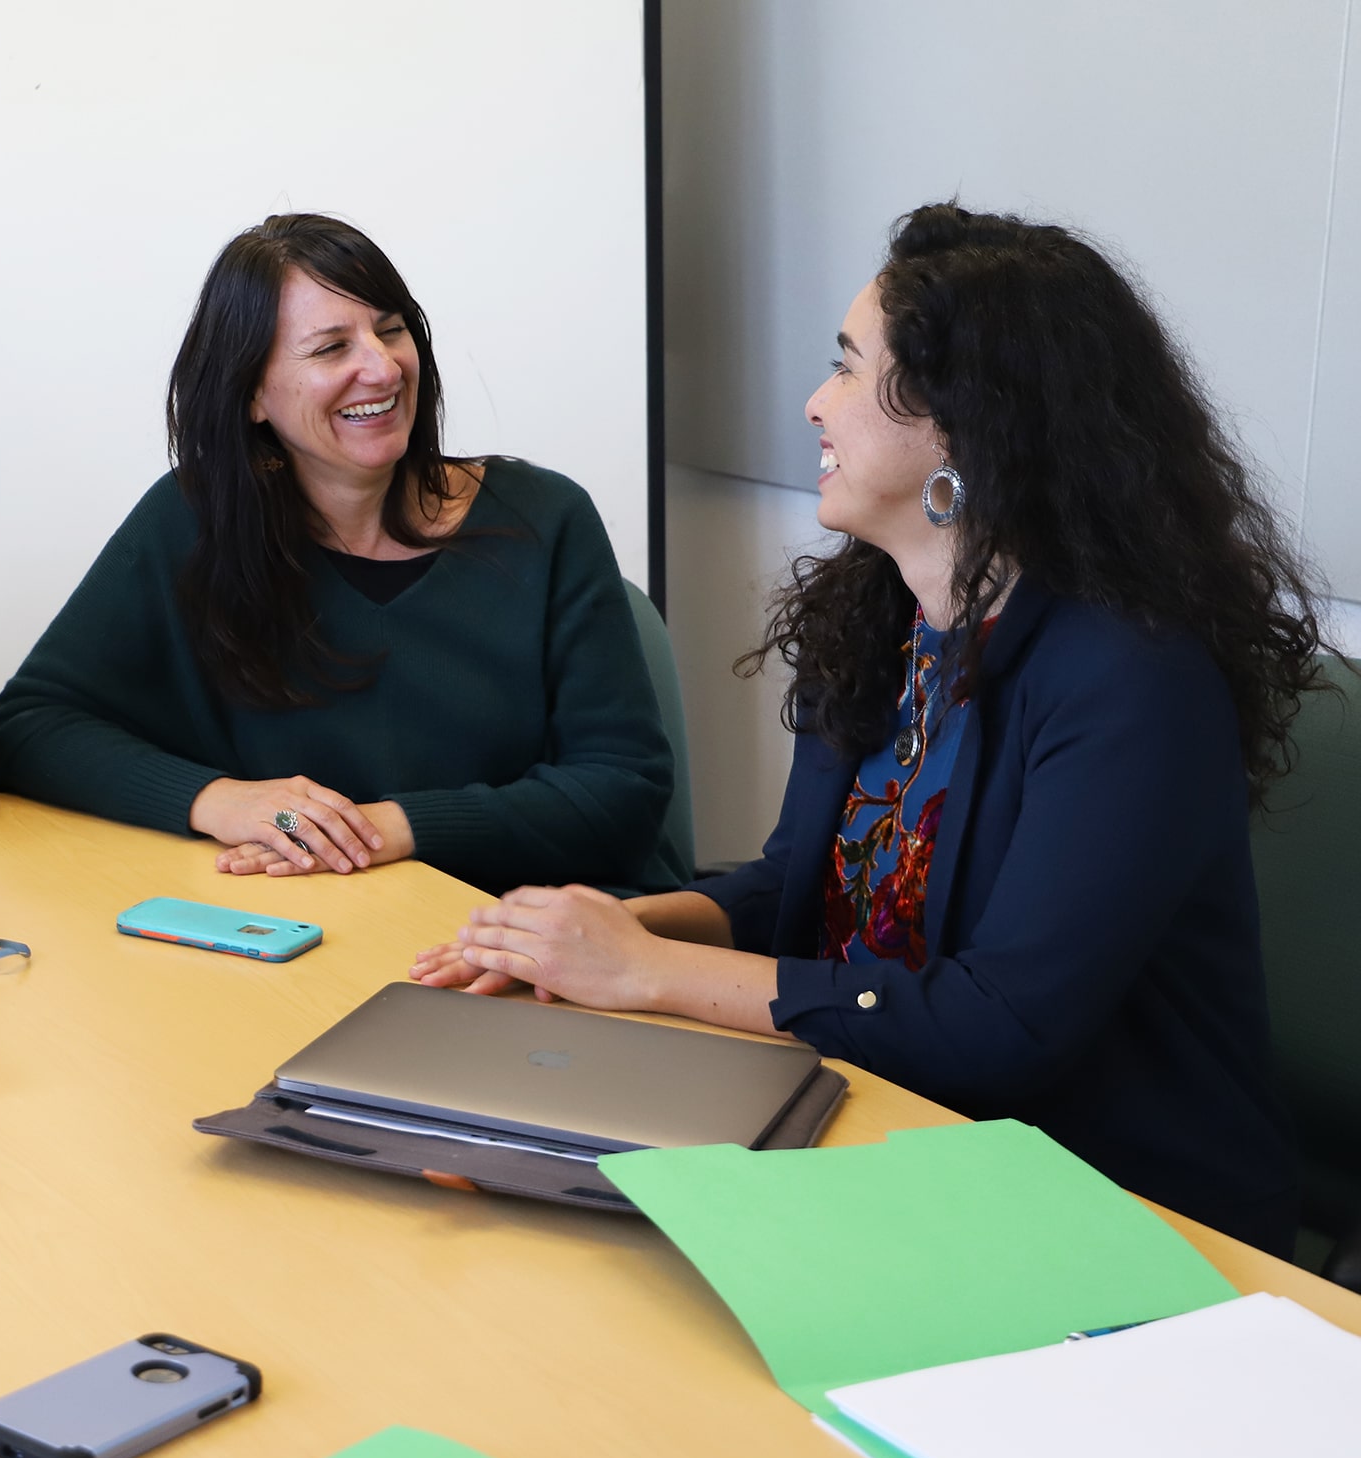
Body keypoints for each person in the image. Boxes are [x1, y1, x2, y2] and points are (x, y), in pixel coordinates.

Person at [416, 204, 1329, 1256]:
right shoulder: (883, 612)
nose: (815, 404)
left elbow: (999, 1028)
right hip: (893, 1132)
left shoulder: (1133, 677)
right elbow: (799, 886)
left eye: (849, 370)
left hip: (1120, 1212)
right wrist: (594, 933)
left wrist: (646, 972)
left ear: (961, 423)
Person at [0, 214, 684, 897]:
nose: (381, 368)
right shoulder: (195, 519)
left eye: (391, 330)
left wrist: (379, 830)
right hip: (306, 937)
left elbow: (623, 791)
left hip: (524, 943)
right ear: (253, 393)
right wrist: (218, 801)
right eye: (330, 349)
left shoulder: (548, 519)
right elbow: (33, 728)